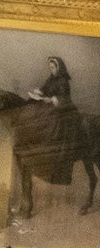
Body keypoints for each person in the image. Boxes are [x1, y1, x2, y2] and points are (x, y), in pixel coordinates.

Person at [27, 56, 82, 185]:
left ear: (58, 67)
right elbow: (45, 88)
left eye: (53, 67)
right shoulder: (51, 78)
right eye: (50, 68)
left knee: (54, 124)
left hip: (64, 110)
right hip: (53, 107)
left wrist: (50, 100)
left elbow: (63, 98)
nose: (51, 70)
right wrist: (38, 92)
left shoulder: (63, 80)